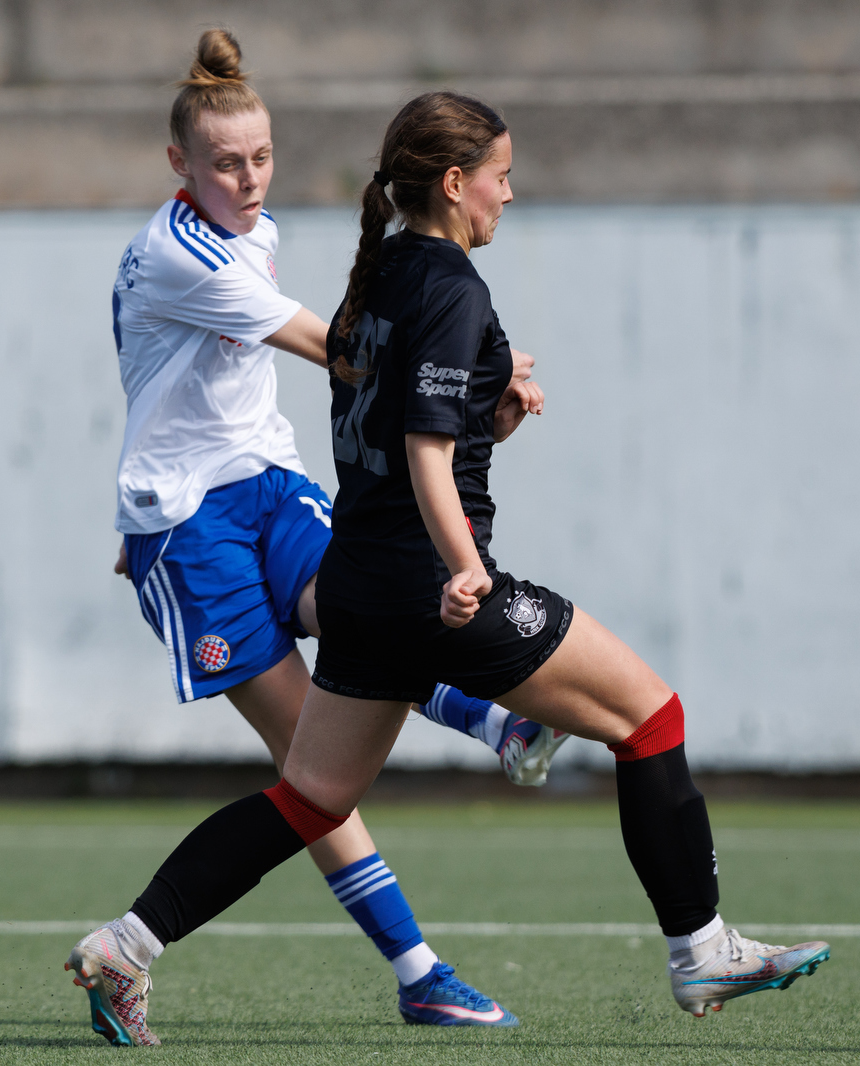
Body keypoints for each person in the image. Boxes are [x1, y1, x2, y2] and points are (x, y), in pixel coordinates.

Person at [69, 87, 832, 1044]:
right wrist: (466, 567)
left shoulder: (378, 271)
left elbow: (400, 421)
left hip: (358, 579)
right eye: (503, 178)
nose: (511, 196)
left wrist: (489, 413)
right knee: (651, 718)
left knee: (309, 798)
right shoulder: (450, 288)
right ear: (456, 182)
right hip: (421, 585)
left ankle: (128, 943)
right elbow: (426, 454)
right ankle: (700, 947)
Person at [67, 32, 565, 1046]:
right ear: (179, 167)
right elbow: (343, 351)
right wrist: (476, 369)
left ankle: (491, 727)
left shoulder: (249, 231)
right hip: (187, 526)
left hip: (265, 485)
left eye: (259, 158)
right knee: (311, 761)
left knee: (370, 611)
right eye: (223, 163)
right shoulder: (181, 252)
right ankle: (415, 965)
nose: (246, 180)